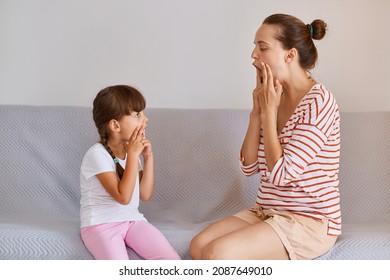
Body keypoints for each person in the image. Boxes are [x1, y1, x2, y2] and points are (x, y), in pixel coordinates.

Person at [190, 13, 341, 260]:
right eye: (254, 46)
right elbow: (248, 166)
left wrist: (270, 114)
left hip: (308, 222)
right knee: (198, 246)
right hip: (267, 211)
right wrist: (258, 112)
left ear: (290, 55)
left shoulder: (319, 102)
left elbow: (282, 174)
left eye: (262, 47)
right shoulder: (273, 96)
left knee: (217, 254)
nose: (253, 55)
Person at [80, 85, 180, 260]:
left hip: (132, 221)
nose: (145, 119)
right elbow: (123, 197)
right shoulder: (97, 155)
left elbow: (145, 194)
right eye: (137, 115)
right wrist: (133, 155)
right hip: (100, 225)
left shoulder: (130, 153)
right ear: (115, 125)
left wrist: (148, 158)